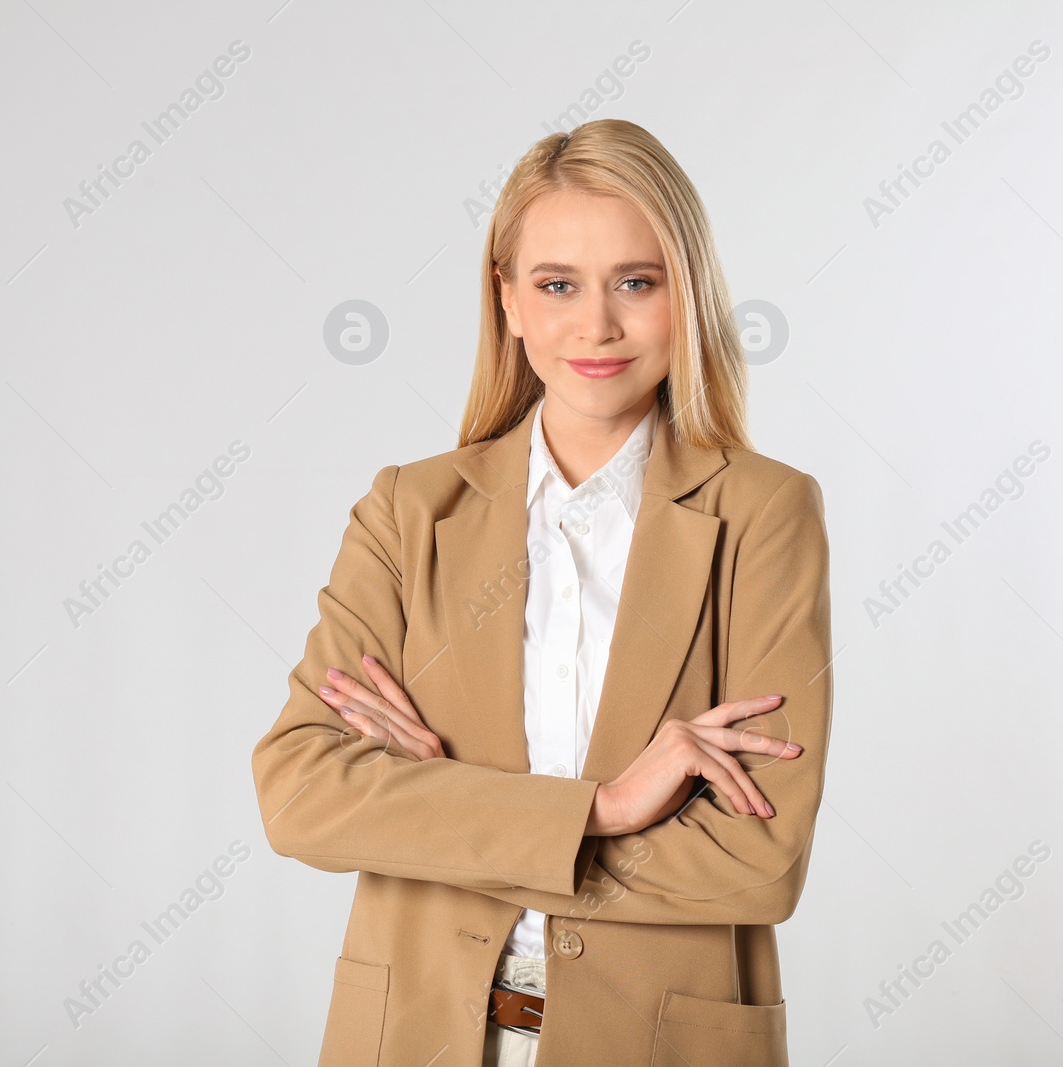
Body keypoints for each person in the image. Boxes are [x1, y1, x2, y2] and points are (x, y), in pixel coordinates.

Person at [251, 118, 833, 1067]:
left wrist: (437, 803)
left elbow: (755, 863)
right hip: (415, 1038)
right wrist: (603, 809)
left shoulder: (766, 514)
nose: (595, 324)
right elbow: (299, 794)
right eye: (557, 284)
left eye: (636, 283)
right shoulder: (409, 510)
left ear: (686, 297)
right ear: (509, 301)